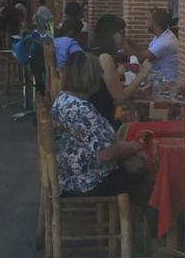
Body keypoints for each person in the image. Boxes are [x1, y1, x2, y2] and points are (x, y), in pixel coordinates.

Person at [50, 51, 146, 196]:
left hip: (68, 174)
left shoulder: (63, 99)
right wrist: (132, 147)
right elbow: (105, 154)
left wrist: (127, 148)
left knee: (133, 163)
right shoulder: (82, 110)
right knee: (147, 175)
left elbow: (100, 143)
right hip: (87, 181)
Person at [90, 13, 152, 124]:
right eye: (122, 33)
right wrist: (142, 74)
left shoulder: (96, 52)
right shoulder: (104, 58)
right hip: (102, 123)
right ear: (110, 34)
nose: (125, 38)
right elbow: (120, 98)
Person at [146, 7, 179, 81]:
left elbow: (142, 57)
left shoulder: (165, 41)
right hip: (158, 79)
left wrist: (125, 44)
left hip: (166, 84)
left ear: (155, 23)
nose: (146, 22)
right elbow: (146, 53)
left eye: (148, 19)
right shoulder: (161, 36)